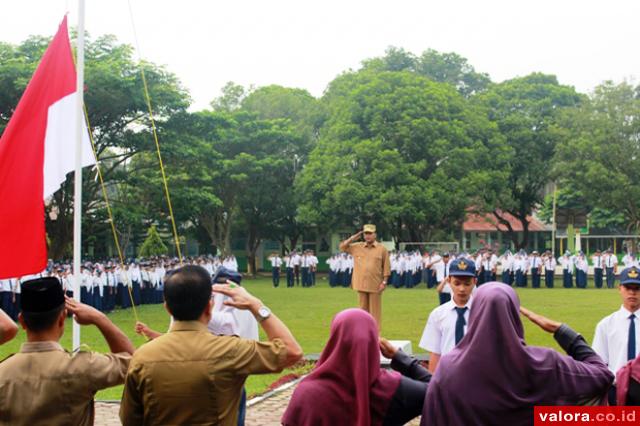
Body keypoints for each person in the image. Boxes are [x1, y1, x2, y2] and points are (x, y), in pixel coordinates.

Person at [120, 265, 303, 426]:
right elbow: (292, 352)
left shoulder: (143, 357)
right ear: (209, 307)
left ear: (167, 308)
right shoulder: (230, 350)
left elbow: (129, 419)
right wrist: (257, 306)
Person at [422, 282, 613, 426]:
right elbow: (602, 374)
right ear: (514, 314)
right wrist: (561, 330)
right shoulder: (545, 364)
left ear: (475, 313)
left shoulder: (448, 369)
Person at [0, 277, 134, 426]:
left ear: (23, 321)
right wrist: (99, 318)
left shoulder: (4, 372)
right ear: (62, 318)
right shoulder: (83, 367)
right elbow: (132, 362)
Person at [282, 309, 431, 426]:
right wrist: (400, 357)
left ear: (335, 339)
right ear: (373, 342)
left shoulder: (307, 393)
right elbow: (438, 390)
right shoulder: (393, 388)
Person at [593, 266, 640, 404]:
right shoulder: (606, 325)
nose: (632, 292)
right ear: (619, 288)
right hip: (616, 390)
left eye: (637, 288)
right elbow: (599, 363)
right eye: (628, 287)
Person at [420, 258, 476, 373]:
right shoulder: (438, 315)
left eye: (467, 284)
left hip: (475, 375)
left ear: (474, 282)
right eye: (457, 283)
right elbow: (435, 353)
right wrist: (433, 383)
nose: (462, 289)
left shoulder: (482, 313)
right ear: (449, 280)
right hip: (447, 375)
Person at [339, 225, 390, 330]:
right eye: (366, 233)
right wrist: (353, 238)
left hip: (375, 284)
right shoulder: (357, 247)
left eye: (370, 233)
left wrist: (384, 282)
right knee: (362, 311)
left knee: (375, 313)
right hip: (361, 283)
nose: (368, 236)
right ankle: (363, 333)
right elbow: (342, 247)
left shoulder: (382, 249)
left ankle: (376, 336)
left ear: (375, 235)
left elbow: (386, 267)